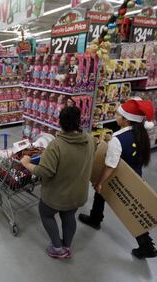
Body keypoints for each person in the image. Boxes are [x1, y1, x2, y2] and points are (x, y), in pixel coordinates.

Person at [78, 98, 157, 259]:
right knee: (106, 198)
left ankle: (147, 246)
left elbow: (110, 165)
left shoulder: (118, 139)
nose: (116, 116)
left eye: (118, 114)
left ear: (126, 119)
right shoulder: (140, 133)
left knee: (129, 211)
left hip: (120, 177)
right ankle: (95, 218)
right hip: (135, 175)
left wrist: (99, 182)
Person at [21, 106, 95, 259]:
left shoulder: (56, 145)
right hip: (77, 194)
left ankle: (58, 248)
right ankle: (67, 245)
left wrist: (27, 163)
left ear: (60, 122)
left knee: (46, 214)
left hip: (57, 195)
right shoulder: (89, 139)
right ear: (78, 122)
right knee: (69, 217)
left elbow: (44, 171)